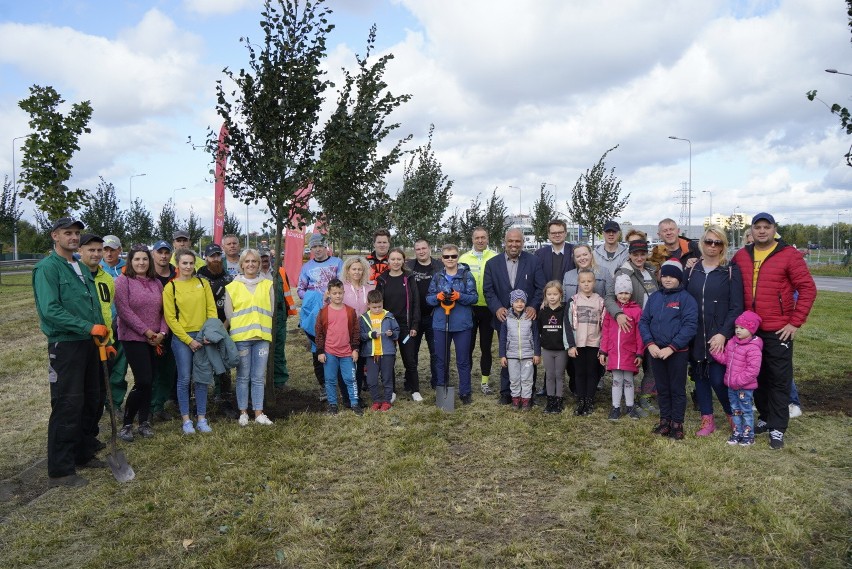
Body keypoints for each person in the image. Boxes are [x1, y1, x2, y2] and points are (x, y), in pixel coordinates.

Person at [33, 217, 110, 488]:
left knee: (92, 400)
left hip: (89, 343)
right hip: (66, 345)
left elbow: (91, 304)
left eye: (77, 233)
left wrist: (102, 334)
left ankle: (83, 453)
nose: (74, 237)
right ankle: (61, 470)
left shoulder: (79, 266)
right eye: (68, 233)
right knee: (68, 404)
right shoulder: (47, 268)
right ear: (55, 236)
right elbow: (50, 310)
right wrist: (89, 327)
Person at [731, 212, 816, 450]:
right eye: (757, 227)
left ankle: (778, 427)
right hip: (750, 332)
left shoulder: (788, 255)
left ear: (773, 229)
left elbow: (807, 288)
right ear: (752, 230)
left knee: (779, 379)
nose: (761, 231)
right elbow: (727, 278)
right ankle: (766, 417)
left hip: (779, 330)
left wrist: (794, 322)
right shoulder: (742, 255)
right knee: (756, 377)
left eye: (766, 227)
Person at [684, 226, 742, 437]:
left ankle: (733, 416)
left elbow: (737, 306)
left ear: (723, 246)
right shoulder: (691, 270)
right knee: (700, 377)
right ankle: (707, 420)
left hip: (719, 335)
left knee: (718, 379)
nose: (712, 246)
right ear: (702, 243)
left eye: (717, 243)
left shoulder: (730, 271)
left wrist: (724, 334)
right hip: (696, 334)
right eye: (709, 241)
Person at [483, 227, 545, 404]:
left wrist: (533, 306)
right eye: (510, 241)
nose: (514, 244)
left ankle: (528, 392)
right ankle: (506, 392)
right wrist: (496, 308)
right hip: (504, 319)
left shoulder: (533, 262)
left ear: (523, 243)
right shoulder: (492, 264)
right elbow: (488, 290)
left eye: (517, 241)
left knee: (528, 354)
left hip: (527, 320)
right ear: (505, 241)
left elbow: (541, 287)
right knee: (507, 354)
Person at [639, 260, 698, 440]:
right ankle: (665, 421)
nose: (667, 279)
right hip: (656, 351)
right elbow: (644, 322)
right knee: (662, 388)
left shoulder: (686, 299)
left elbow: (690, 325)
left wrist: (672, 347)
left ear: (679, 278)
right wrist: (650, 344)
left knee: (677, 389)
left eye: (672, 276)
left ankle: (677, 424)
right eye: (664, 275)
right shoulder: (655, 297)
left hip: (676, 353)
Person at [114, 244, 168, 441]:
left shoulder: (156, 283)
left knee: (150, 380)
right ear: (130, 261)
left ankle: (144, 421)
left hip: (155, 339)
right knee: (143, 380)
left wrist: (161, 332)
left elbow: (165, 310)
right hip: (133, 337)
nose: (141, 262)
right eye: (137, 259)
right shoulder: (123, 281)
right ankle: (127, 423)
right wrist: (147, 332)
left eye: (144, 259)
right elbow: (124, 311)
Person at [163, 248, 218, 434]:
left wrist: (207, 333)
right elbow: (170, 319)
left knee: (201, 379)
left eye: (191, 263)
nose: (188, 266)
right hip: (182, 338)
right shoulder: (170, 287)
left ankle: (202, 417)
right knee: (184, 378)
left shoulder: (203, 284)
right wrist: (188, 340)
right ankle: (186, 419)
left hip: (203, 336)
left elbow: (212, 310)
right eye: (184, 263)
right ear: (177, 264)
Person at [607, 237, 659, 416]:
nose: (639, 257)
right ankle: (628, 401)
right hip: (632, 324)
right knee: (633, 362)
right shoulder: (623, 272)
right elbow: (609, 297)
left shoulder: (651, 272)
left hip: (652, 324)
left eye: (642, 254)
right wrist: (618, 314)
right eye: (635, 254)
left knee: (652, 363)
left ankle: (646, 395)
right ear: (629, 255)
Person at [224, 249, 275, 426]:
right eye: (247, 261)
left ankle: (259, 413)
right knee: (243, 376)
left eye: (254, 261)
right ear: (242, 264)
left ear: (259, 264)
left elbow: (271, 310)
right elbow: (229, 314)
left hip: (261, 336)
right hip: (242, 338)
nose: (251, 264)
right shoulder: (232, 287)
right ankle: (243, 412)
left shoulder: (267, 284)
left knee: (259, 376)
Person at [425, 244, 478, 405]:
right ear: (442, 259)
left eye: (453, 256)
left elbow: (474, 298)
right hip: (441, 324)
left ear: (458, 257)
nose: (450, 259)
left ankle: (465, 392)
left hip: (462, 324)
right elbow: (428, 298)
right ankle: (442, 391)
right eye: (447, 257)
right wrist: (438, 297)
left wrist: (459, 296)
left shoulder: (467, 276)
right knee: (441, 359)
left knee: (463, 360)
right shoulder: (437, 277)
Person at [77, 234, 115, 442]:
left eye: (99, 250)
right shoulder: (76, 277)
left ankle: (91, 437)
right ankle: (81, 439)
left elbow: (107, 311)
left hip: (102, 344)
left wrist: (108, 342)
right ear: (80, 251)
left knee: (99, 394)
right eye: (91, 250)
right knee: (83, 395)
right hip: (81, 342)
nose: (96, 254)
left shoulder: (107, 279)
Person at [376, 248, 421, 401]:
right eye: (393, 259)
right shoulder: (382, 279)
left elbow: (415, 303)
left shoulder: (409, 278)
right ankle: (392, 391)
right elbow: (376, 303)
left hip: (405, 326)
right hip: (387, 326)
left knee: (409, 358)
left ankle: (415, 390)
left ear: (403, 261)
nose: (395, 262)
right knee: (389, 360)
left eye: (398, 259)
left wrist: (414, 325)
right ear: (388, 261)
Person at [712, 311, 763, 446]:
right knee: (735, 410)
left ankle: (748, 435)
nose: (738, 330)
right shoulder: (732, 343)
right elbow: (727, 360)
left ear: (751, 329)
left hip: (744, 387)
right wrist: (716, 353)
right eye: (736, 327)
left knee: (746, 411)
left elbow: (753, 370)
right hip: (731, 386)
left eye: (742, 328)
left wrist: (738, 381)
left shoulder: (753, 348)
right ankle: (737, 432)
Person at [198, 243, 237, 418]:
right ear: (206, 257)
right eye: (212, 256)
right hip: (201, 328)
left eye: (217, 255)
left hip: (223, 327)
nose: (215, 259)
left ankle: (225, 399)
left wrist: (223, 328)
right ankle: (199, 402)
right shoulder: (198, 278)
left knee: (224, 365)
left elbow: (233, 306)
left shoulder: (229, 279)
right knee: (201, 365)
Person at [459, 227, 498, 394]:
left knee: (485, 346)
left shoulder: (496, 257)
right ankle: (465, 379)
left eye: (483, 237)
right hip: (469, 308)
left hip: (489, 308)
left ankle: (484, 381)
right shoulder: (464, 258)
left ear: (488, 238)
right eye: (477, 238)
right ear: (472, 239)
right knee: (467, 346)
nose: (480, 240)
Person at [599, 274, 644, 420]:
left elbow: (639, 334)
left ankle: (630, 407)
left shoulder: (636, 311)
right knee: (617, 380)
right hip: (614, 352)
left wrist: (639, 353)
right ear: (616, 293)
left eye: (626, 293)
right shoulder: (611, 312)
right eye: (621, 293)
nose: (623, 296)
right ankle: (616, 407)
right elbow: (605, 332)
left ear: (630, 293)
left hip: (629, 353)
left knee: (629, 380)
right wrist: (603, 351)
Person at [314, 279, 362, 415]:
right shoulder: (323, 312)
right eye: (334, 293)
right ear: (329, 294)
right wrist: (320, 351)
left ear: (344, 293)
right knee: (330, 380)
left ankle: (355, 403)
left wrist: (355, 349)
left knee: (350, 378)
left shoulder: (350, 311)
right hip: (329, 352)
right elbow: (319, 332)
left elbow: (356, 331)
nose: (337, 296)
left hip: (347, 352)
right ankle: (332, 404)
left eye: (340, 293)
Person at [566, 269, 605, 416]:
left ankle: (589, 399)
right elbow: (567, 325)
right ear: (578, 283)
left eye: (589, 281)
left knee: (592, 372)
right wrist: (570, 345)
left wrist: (603, 347)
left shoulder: (600, 301)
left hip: (594, 343)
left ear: (594, 282)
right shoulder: (573, 301)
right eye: (583, 282)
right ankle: (580, 399)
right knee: (579, 372)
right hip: (578, 343)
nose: (586, 284)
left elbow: (604, 325)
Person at [406, 238, 443, 391]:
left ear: (429, 248)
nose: (421, 251)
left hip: (434, 315)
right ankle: (410, 383)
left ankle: (437, 382)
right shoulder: (408, 266)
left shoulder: (439, 266)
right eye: (418, 249)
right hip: (414, 317)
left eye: (424, 248)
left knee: (436, 352)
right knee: (411, 352)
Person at [99, 233, 129, 413]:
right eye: (105, 250)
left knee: (119, 365)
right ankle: (99, 401)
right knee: (100, 367)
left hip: (123, 325)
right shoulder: (94, 268)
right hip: (101, 326)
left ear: (120, 250)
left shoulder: (128, 268)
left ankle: (114, 403)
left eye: (113, 249)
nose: (109, 253)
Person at [498, 290, 541, 410]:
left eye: (522, 301)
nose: (519, 304)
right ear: (512, 303)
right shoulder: (507, 319)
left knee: (527, 379)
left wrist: (537, 353)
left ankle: (526, 400)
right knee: (514, 378)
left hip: (528, 355)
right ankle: (515, 399)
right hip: (512, 355)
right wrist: (502, 355)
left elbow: (536, 336)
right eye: (516, 301)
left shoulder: (530, 317)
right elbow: (502, 339)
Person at [150, 240, 177, 421]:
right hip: (151, 329)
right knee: (151, 371)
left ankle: (159, 405)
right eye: (160, 252)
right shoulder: (146, 274)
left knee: (168, 369)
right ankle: (149, 407)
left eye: (167, 252)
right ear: (154, 254)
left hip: (174, 327)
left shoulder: (178, 273)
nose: (163, 255)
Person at [359, 289, 400, 411]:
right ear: (368, 305)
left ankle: (387, 401)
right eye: (374, 307)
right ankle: (376, 401)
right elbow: (361, 335)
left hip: (387, 352)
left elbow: (397, 332)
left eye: (379, 306)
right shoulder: (364, 318)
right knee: (371, 380)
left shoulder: (389, 316)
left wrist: (391, 334)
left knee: (387, 378)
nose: (377, 309)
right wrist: (371, 335)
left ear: (383, 303)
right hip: (371, 354)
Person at [341, 256, 374, 400]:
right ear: (348, 271)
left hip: (364, 331)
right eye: (354, 269)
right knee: (347, 364)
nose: (357, 272)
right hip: (346, 331)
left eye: (360, 269)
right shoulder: (342, 288)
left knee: (359, 364)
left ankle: (356, 394)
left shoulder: (370, 288)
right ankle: (346, 395)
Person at [537, 280, 570, 414]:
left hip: (561, 349)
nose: (552, 297)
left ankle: (559, 400)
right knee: (549, 375)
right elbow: (539, 329)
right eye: (549, 294)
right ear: (545, 295)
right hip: (547, 349)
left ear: (560, 295)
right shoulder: (543, 311)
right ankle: (550, 401)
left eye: (555, 294)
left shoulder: (565, 309)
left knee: (559, 375)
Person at [273, 260, 298, 389]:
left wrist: (286, 312)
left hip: (280, 316)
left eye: (268, 257)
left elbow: (286, 292)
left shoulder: (281, 271)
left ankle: (279, 381)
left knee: (278, 350)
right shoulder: (255, 273)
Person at [297, 233, 343, 299]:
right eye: (314, 247)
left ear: (325, 247)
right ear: (311, 249)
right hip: (314, 307)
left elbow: (344, 285)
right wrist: (313, 299)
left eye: (320, 246)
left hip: (333, 306)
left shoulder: (338, 262)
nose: (318, 249)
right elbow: (300, 290)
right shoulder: (306, 267)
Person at [534, 219, 575, 285]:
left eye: (560, 232)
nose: (557, 235)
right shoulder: (539, 254)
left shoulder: (574, 251)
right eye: (553, 233)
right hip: (548, 294)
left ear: (565, 233)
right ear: (549, 235)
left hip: (570, 294)